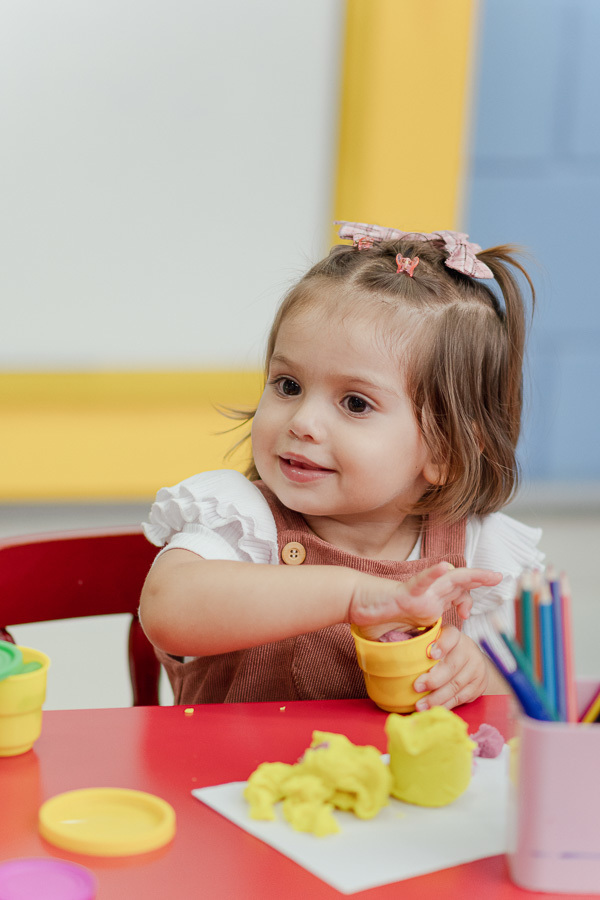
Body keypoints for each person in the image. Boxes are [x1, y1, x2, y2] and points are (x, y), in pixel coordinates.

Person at [140, 221, 544, 709]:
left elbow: (528, 706)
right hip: (229, 783)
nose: (303, 421)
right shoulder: (243, 520)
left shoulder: (478, 550)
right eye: (288, 386)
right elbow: (168, 610)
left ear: (446, 452)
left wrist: (475, 676)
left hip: (391, 785)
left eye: (355, 403)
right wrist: (352, 596)